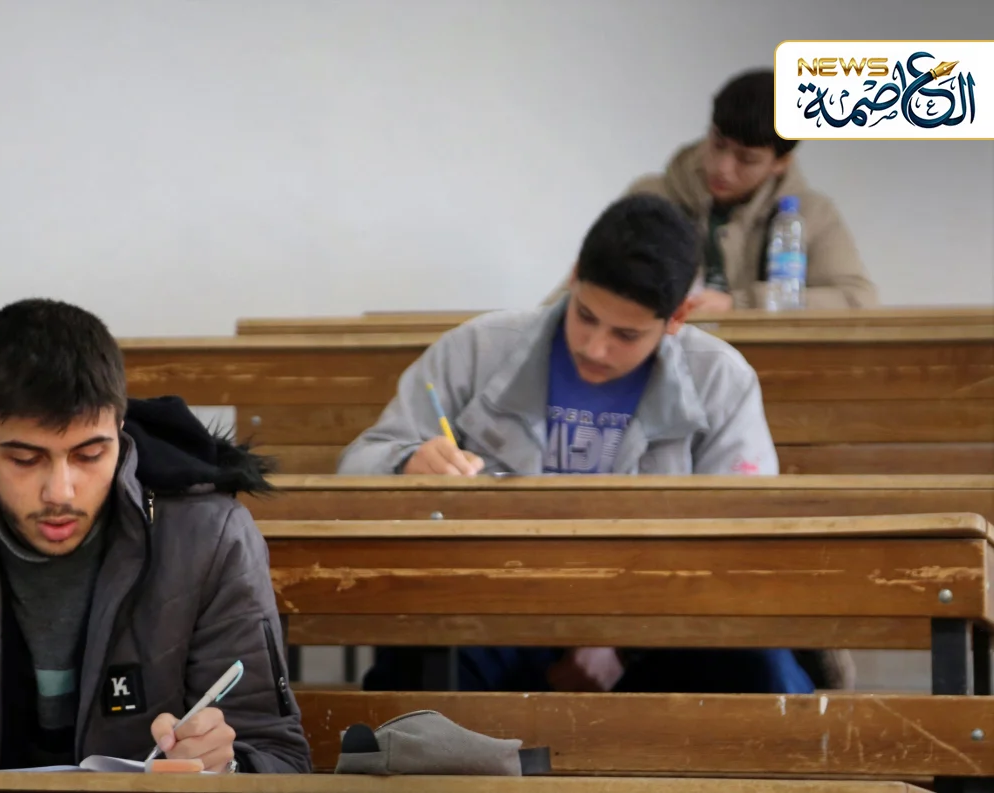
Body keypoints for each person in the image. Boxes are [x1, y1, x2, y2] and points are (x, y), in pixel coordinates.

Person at [339, 193, 851, 695]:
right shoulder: (477, 349)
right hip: (491, 609)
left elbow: (739, 551)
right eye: (584, 315)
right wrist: (406, 463)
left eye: (626, 335)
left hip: (655, 626)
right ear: (574, 276)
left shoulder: (720, 381)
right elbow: (356, 467)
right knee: (419, 662)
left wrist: (623, 646)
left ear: (677, 317)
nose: (595, 348)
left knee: (759, 671)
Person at [0, 298, 311, 773]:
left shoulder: (209, 537)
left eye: (90, 455)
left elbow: (278, 755)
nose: (60, 492)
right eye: (25, 460)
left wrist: (225, 766)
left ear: (120, 435)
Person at [545, 69, 878, 312]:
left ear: (780, 163)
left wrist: (740, 304)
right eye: (718, 144)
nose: (722, 168)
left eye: (746, 159)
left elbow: (857, 300)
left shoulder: (812, 214)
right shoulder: (652, 197)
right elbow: (579, 288)